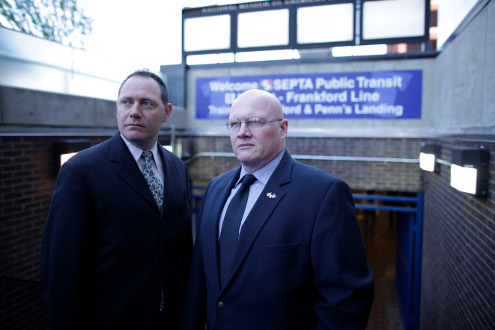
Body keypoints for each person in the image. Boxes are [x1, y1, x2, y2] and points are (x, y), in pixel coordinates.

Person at [181, 89, 374, 330]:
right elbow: (198, 281)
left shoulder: (324, 194)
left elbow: (346, 301)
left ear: (283, 128)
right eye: (234, 124)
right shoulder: (215, 189)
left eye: (254, 122)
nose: (242, 132)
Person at [41, 69, 193, 330]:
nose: (134, 111)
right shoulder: (81, 170)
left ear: (166, 112)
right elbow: (62, 268)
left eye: (146, 103)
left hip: (170, 319)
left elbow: (182, 251)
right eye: (126, 102)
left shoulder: (177, 167)